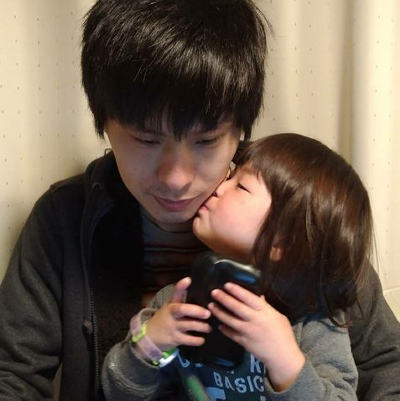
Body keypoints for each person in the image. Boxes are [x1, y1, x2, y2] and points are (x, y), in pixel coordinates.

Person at [0, 0, 398, 400]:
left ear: (240, 129)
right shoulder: (65, 217)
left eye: (206, 141)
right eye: (146, 139)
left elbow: (388, 364)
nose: (176, 179)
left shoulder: (295, 209)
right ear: (102, 120)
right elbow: (13, 375)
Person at [101, 133, 371, 400]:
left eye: (240, 185)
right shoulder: (179, 302)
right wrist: (150, 344)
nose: (219, 186)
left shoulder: (315, 322)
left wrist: (286, 362)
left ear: (282, 242)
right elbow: (118, 392)